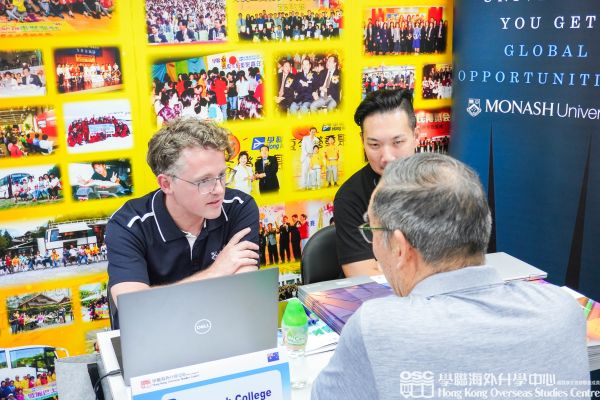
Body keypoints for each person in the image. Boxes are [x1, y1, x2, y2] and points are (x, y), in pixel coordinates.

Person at [312, 153, 591, 399]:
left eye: (372, 231)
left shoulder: (376, 328)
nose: (373, 247)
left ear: (399, 247)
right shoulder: (562, 310)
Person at [106, 118, 260, 327]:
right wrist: (216, 272)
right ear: (166, 184)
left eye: (222, 175)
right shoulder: (129, 225)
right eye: (204, 180)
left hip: (219, 328)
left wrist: (160, 300)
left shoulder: (239, 207)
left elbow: (241, 293)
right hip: (154, 335)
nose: (219, 189)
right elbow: (136, 310)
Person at [334, 89, 418, 277]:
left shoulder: (442, 185)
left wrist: (388, 266)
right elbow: (364, 277)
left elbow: (457, 263)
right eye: (374, 145)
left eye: (397, 142)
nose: (386, 157)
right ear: (362, 141)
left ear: (416, 136)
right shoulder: (350, 197)